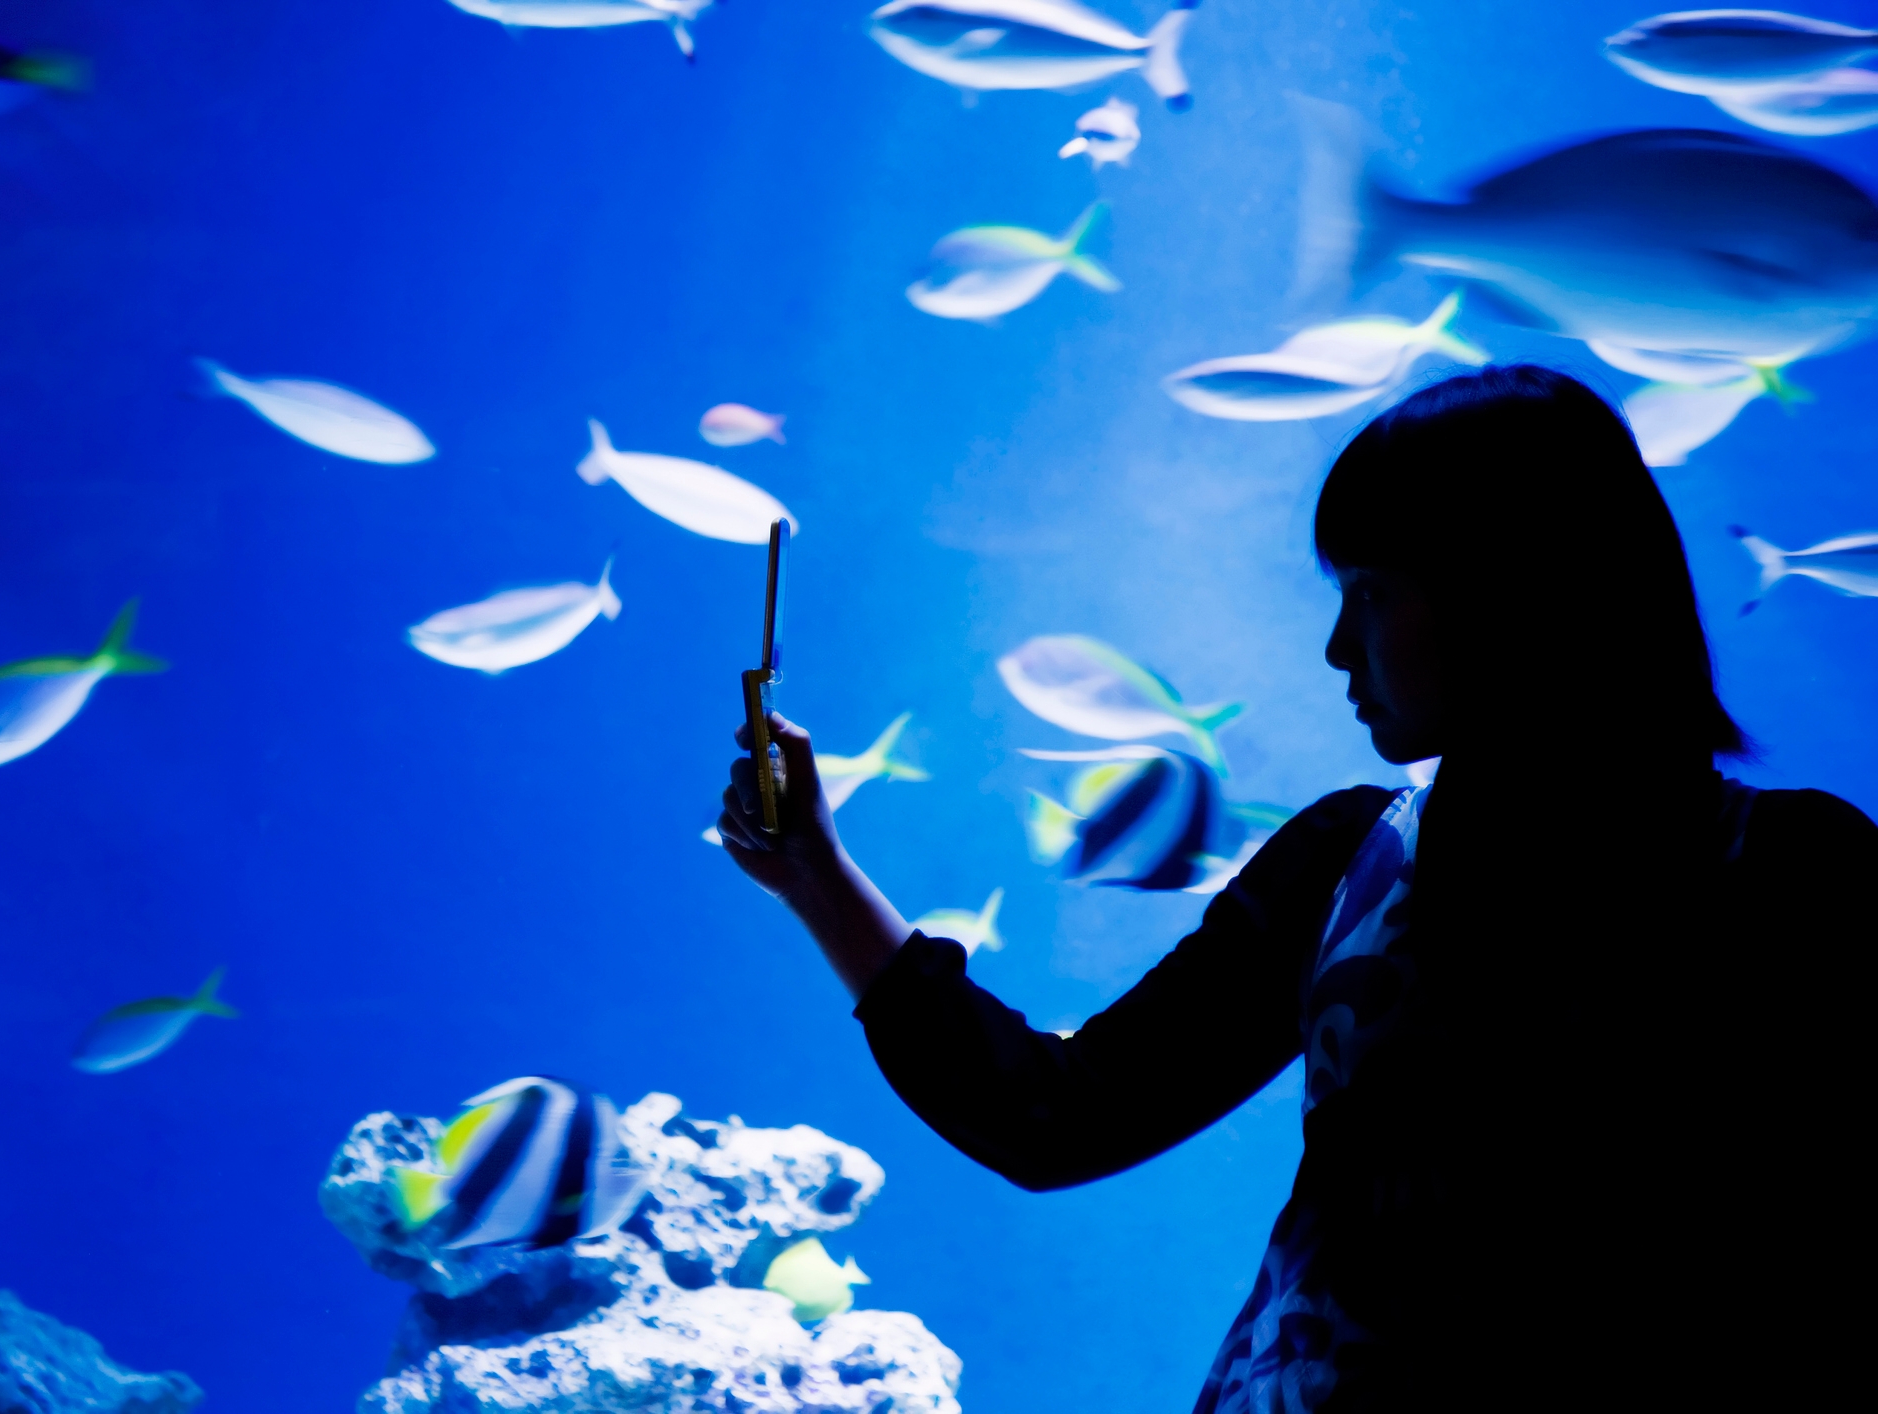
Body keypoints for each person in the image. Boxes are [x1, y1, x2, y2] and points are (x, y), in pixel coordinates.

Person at [715, 366, 1875, 1414]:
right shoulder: (1347, 858)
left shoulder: (1801, 882)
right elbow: (1062, 1114)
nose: (1335, 647)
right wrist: (815, 874)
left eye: (1371, 590)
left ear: (1511, 586)